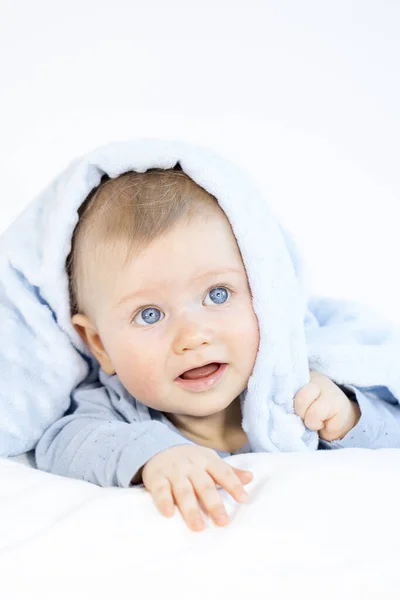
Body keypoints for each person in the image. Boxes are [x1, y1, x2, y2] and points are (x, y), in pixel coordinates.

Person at [35, 166, 400, 532]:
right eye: (149, 314)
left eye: (218, 294)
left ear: (264, 295)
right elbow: (62, 443)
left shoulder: (296, 388)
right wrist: (154, 455)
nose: (193, 336)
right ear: (100, 345)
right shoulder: (115, 410)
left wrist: (349, 417)